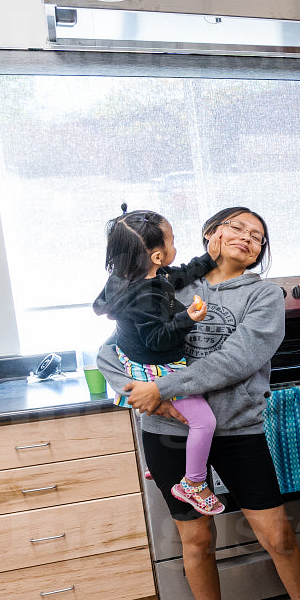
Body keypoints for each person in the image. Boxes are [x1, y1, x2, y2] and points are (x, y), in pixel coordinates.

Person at [96, 207, 300, 600]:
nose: (246, 237)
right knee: (196, 538)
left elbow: (240, 359)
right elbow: (110, 348)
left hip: (239, 429)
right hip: (168, 432)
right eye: (236, 227)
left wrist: (164, 388)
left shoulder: (262, 294)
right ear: (209, 234)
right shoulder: (169, 283)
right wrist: (141, 394)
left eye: (257, 236)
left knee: (277, 535)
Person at [93, 207, 221, 514]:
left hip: (132, 360)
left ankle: (159, 467)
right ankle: (193, 482)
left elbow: (176, 277)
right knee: (204, 421)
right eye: (172, 241)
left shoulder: (127, 279)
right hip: (157, 371)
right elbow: (158, 338)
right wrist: (187, 318)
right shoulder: (145, 297)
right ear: (156, 257)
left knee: (168, 419)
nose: (176, 247)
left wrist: (207, 260)